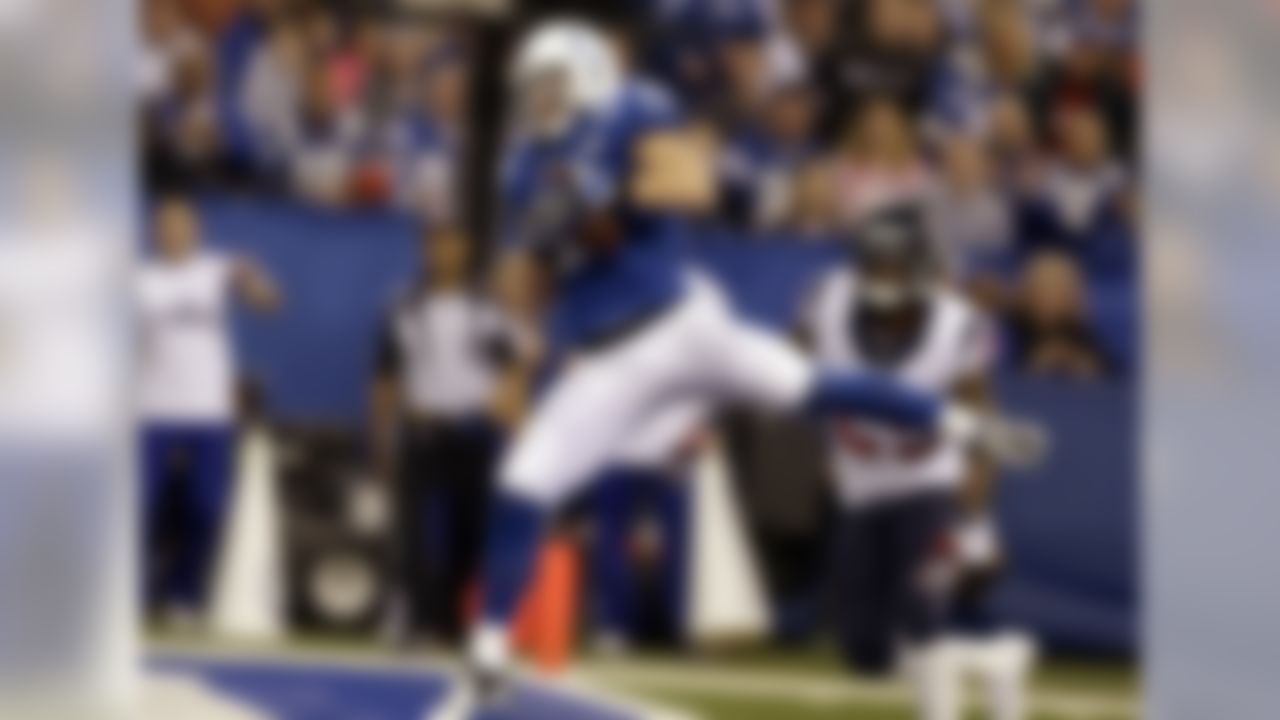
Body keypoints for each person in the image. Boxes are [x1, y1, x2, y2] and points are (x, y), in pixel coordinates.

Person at [432, 20, 1044, 718]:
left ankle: (961, 421)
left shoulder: (634, 108)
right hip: (607, 356)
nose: (542, 99)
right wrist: (529, 272)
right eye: (533, 86)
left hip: (684, 322)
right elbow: (531, 282)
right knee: (522, 483)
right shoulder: (523, 167)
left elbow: (692, 187)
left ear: (591, 76)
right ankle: (487, 658)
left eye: (554, 82)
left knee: (809, 388)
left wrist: (607, 198)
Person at [799, 205, 1037, 720]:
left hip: (929, 485)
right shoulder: (828, 300)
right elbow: (790, 371)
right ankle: (996, 659)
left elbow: (981, 420)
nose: (884, 275)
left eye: (896, 263)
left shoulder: (956, 325)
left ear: (922, 266)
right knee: (867, 654)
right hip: (861, 490)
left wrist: (976, 519)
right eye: (875, 263)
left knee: (918, 614)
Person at [370, 226, 529, 648]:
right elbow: (386, 376)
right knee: (417, 531)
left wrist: (507, 412)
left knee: (470, 531)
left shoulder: (485, 311)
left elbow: (513, 365)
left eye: (454, 243)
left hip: (473, 431)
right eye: (437, 243)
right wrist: (383, 435)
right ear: (425, 250)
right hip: (423, 428)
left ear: (467, 250)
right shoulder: (404, 309)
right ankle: (417, 620)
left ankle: (453, 620)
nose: (445, 252)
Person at [137, 195, 280, 628]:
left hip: (208, 413)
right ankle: (137, 596)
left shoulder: (218, 270)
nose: (173, 232)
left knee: (206, 509)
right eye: (165, 224)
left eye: (182, 224)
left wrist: (256, 285)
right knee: (140, 507)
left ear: (195, 230)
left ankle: (184, 597)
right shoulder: (136, 278)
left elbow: (269, 302)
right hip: (150, 410)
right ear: (154, 231)